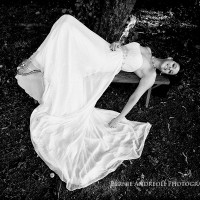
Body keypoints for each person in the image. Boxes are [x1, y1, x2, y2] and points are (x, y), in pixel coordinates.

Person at [15, 14, 180, 191]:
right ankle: (38, 63)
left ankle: (33, 63)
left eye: (171, 72)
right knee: (66, 21)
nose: (169, 68)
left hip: (104, 61)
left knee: (67, 27)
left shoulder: (150, 75)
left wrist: (120, 118)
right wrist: (118, 44)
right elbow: (124, 48)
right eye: (173, 65)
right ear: (170, 58)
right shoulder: (146, 49)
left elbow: (134, 97)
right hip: (106, 49)